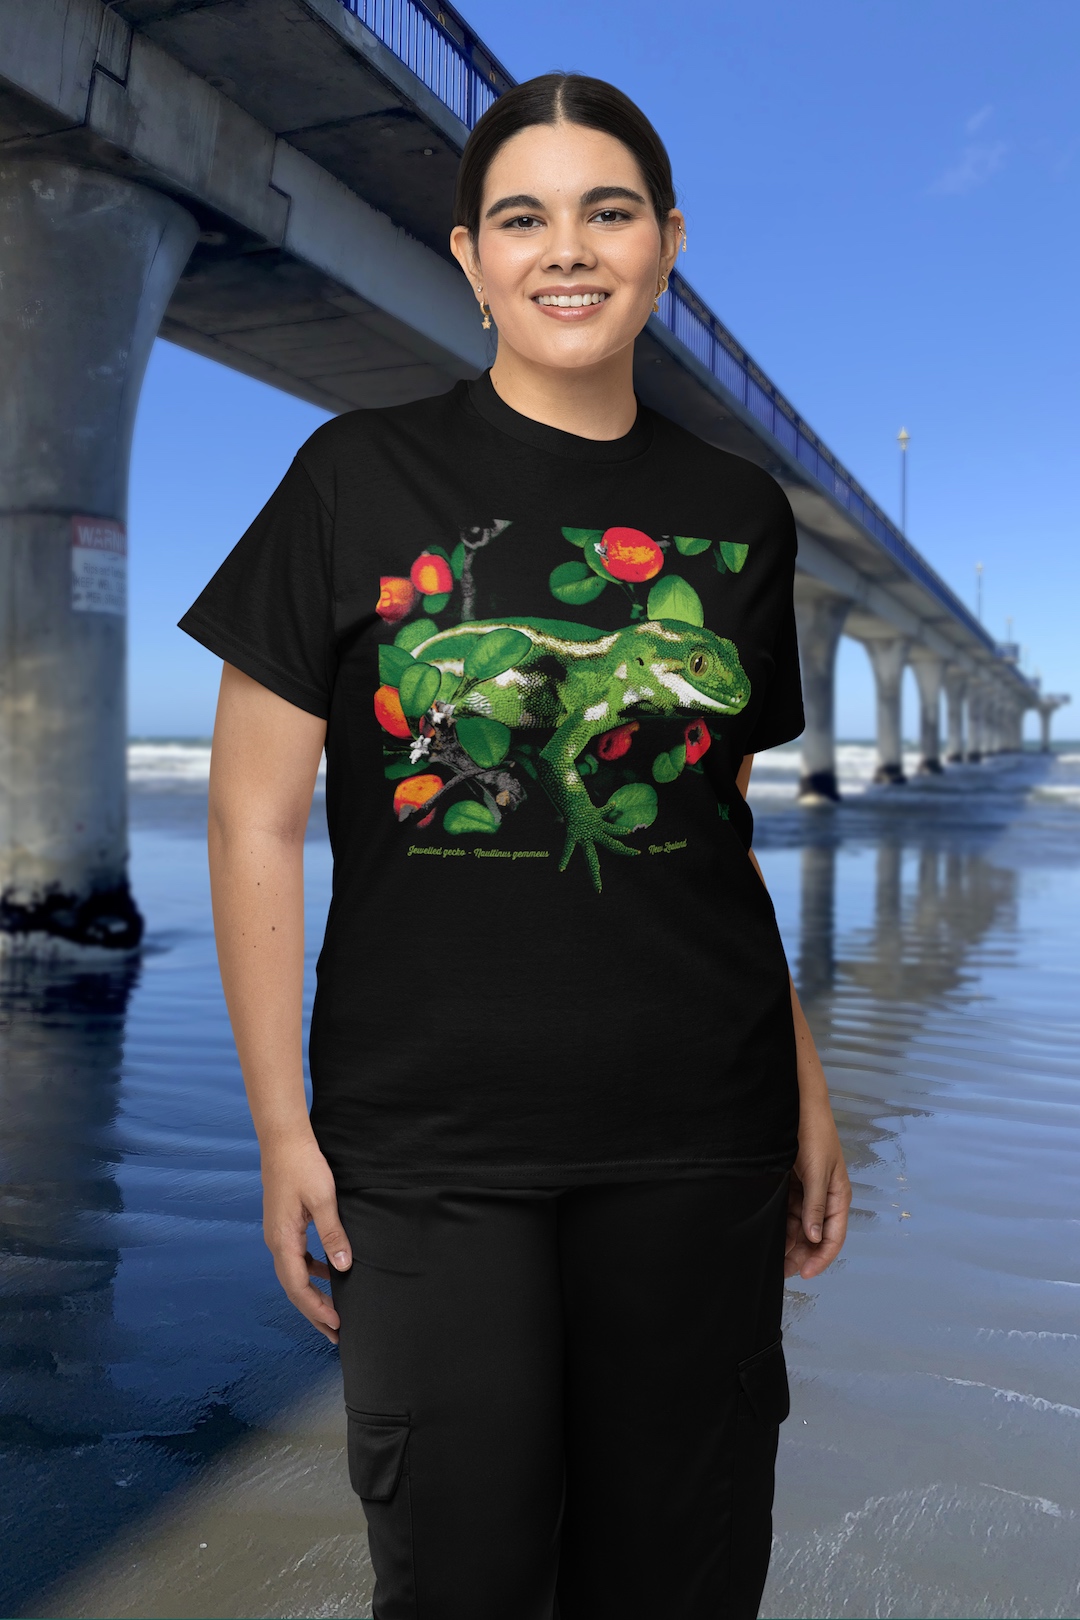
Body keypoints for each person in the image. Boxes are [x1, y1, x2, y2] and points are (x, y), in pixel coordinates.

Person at [180, 71, 851, 1620]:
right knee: (458, 1579)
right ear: (470, 256)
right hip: (426, 1146)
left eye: (608, 213)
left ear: (666, 242)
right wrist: (281, 1127)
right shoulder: (355, 477)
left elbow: (717, 827)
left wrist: (808, 1089)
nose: (568, 249)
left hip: (702, 1131)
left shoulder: (738, 515)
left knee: (677, 1583)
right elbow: (254, 815)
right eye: (523, 217)